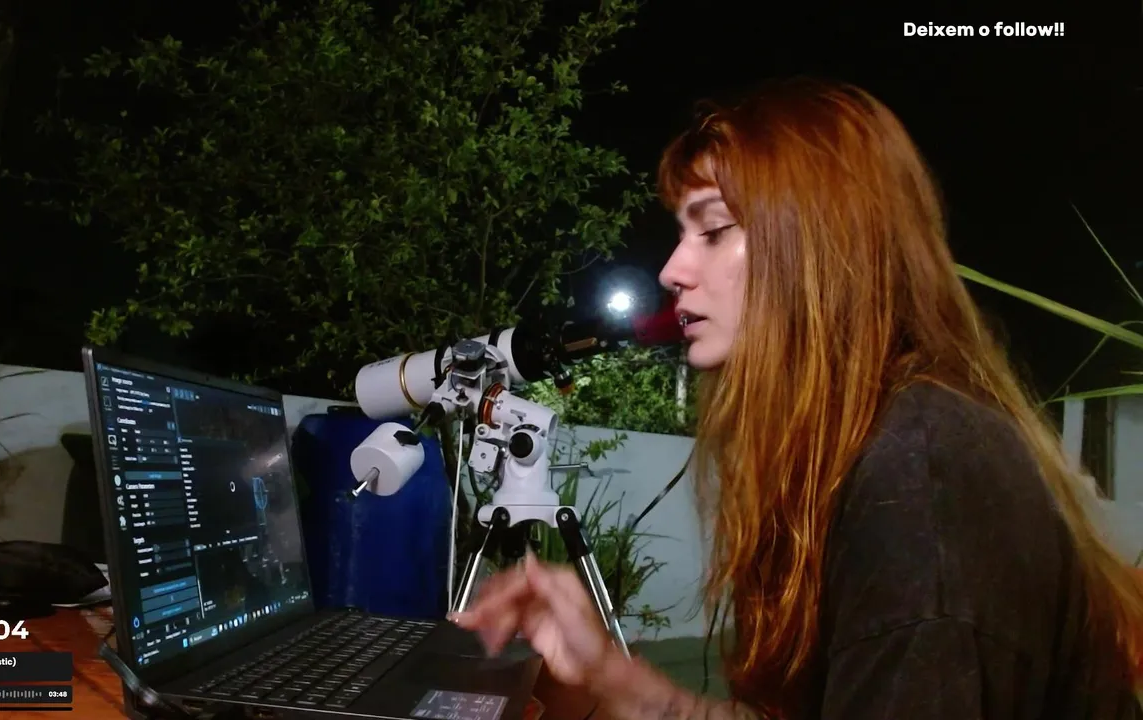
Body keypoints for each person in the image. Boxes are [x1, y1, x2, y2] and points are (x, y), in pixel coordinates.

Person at [451, 77, 1143, 719]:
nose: (671, 269)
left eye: (714, 229)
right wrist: (609, 682)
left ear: (818, 242)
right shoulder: (869, 447)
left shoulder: (922, 474)